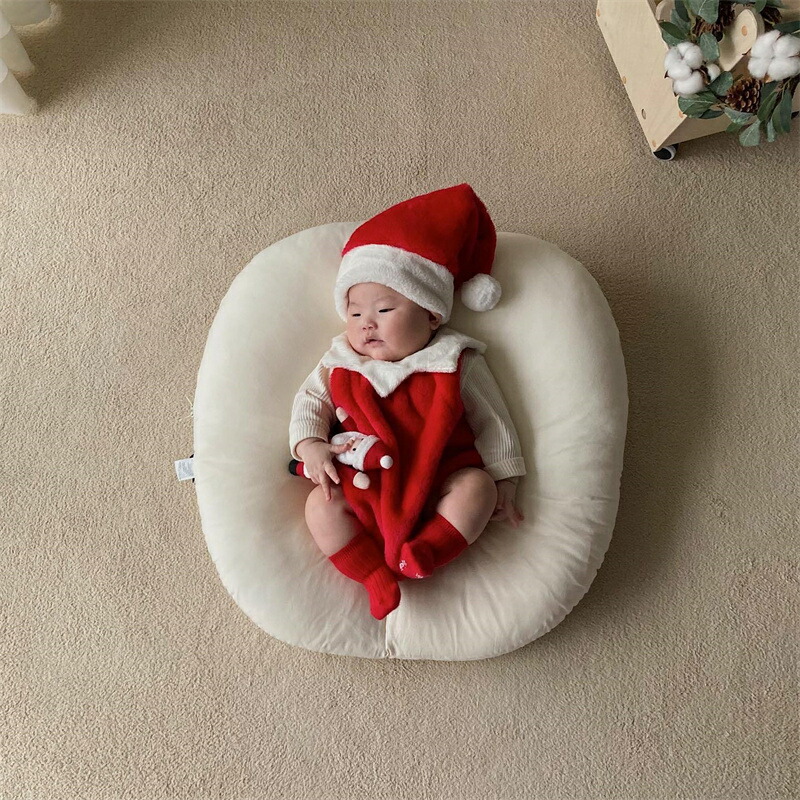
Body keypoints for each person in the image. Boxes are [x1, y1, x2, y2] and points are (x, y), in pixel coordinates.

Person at [288, 184, 525, 620]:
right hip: (364, 484)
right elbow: (310, 402)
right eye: (355, 313)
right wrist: (310, 445)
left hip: (438, 479)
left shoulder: (454, 360)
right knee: (319, 507)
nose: (367, 324)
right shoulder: (340, 360)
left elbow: (492, 419)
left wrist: (505, 477)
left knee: (478, 490)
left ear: (431, 314)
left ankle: (427, 551)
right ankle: (373, 575)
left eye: (384, 310)